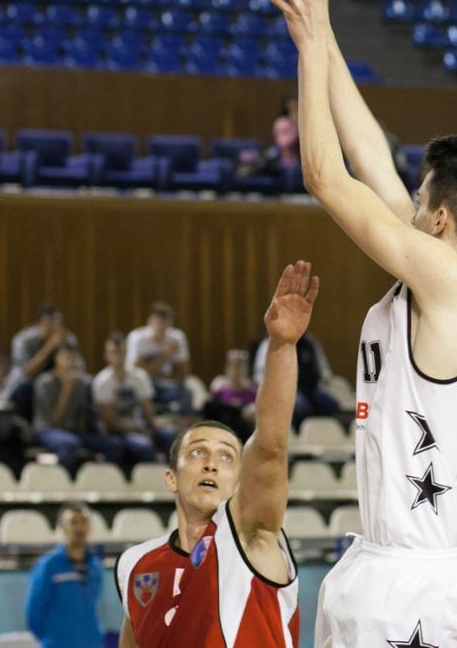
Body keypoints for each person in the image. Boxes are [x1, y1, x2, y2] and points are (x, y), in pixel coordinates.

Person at [262, 0, 457, 648]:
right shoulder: (447, 271)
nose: (407, 201)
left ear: (439, 220)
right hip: (381, 566)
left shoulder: (455, 286)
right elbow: (368, 153)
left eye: (419, 197)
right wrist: (322, 32)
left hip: (414, 589)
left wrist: (308, 56)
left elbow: (325, 176)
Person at [115, 261, 318, 647]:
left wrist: (282, 345)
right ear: (171, 477)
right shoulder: (135, 564)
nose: (211, 463)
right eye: (197, 452)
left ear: (240, 481)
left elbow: (271, 446)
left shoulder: (253, 536)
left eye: (227, 457)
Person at [26, 503, 104, 648]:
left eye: (84, 522)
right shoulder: (49, 565)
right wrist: (50, 640)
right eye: (73, 522)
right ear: (63, 528)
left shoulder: (95, 565)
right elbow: (34, 612)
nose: (79, 528)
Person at [34, 345, 122, 473]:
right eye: (66, 357)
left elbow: (87, 415)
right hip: (48, 429)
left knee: (115, 445)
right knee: (70, 444)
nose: (70, 362)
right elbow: (54, 419)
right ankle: (60, 480)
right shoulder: (45, 382)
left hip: (74, 432)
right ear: (56, 359)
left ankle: (96, 478)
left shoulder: (82, 383)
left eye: (73, 358)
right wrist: (66, 389)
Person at [92, 333, 176, 464]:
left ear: (127, 353)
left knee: (170, 435)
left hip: (139, 426)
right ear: (107, 356)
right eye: (113, 353)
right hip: (117, 432)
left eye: (121, 352)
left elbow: (148, 411)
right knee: (143, 447)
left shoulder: (139, 377)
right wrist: (137, 431)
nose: (118, 356)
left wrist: (154, 426)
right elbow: (110, 422)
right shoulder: (102, 381)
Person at [5, 305, 81, 421]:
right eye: (49, 323)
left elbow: (79, 366)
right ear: (38, 324)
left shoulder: (68, 338)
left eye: (58, 323)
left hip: (55, 381)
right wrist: (50, 346)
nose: (54, 328)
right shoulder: (23, 339)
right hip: (28, 383)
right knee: (26, 387)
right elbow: (27, 372)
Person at [253, 331, 339, 429]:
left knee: (331, 405)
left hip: (310, 388)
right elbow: (259, 376)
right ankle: (294, 432)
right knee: (301, 407)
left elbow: (324, 370)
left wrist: (324, 377)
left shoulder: (309, 341)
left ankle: (317, 431)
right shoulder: (271, 342)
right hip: (285, 391)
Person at [126, 302, 192, 413]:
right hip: (142, 386)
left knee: (186, 393)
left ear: (170, 324)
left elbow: (183, 374)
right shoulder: (137, 338)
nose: (160, 327)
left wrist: (150, 369)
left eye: (164, 323)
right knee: (138, 392)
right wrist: (165, 355)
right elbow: (135, 373)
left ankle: (182, 422)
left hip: (166, 385)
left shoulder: (177, 338)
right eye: (157, 323)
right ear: (149, 321)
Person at [203, 348, 259, 440]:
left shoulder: (253, 391)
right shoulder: (219, 390)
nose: (236, 371)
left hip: (245, 434)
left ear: (246, 369)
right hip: (222, 433)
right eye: (233, 366)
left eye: (240, 366)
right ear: (227, 368)